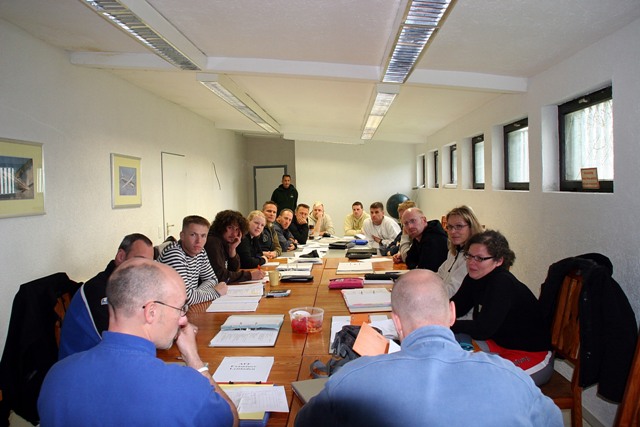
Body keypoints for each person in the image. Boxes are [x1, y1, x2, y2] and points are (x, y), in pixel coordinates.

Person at [294, 270, 562, 427]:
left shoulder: (351, 381)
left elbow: (305, 422)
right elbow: (553, 421)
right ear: (452, 313)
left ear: (396, 322)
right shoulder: (513, 378)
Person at [38, 259, 239, 427]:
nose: (183, 319)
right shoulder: (185, 387)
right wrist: (194, 360)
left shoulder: (56, 376)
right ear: (151, 312)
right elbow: (231, 420)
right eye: (180, 308)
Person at [451, 230, 553, 385]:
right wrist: (430, 317)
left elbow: (483, 329)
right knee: (453, 358)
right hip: (498, 344)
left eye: (480, 258)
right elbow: (457, 307)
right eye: (469, 256)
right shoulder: (475, 277)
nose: (471, 262)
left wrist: (445, 323)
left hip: (531, 354)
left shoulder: (502, 283)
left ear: (499, 261)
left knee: (486, 384)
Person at [58, 233, 154, 360]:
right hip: (81, 364)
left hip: (105, 357)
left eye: (149, 265)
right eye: (139, 260)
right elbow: (118, 339)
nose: (145, 270)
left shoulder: (125, 285)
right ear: (121, 256)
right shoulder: (97, 290)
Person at [158, 215, 228, 305]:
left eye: (203, 236)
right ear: (182, 236)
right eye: (193, 235)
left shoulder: (200, 251)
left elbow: (212, 279)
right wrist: (215, 292)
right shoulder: (174, 254)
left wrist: (195, 294)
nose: (199, 241)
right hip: (165, 310)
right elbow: (185, 298)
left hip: (184, 308)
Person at [204, 210, 265, 283]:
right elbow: (220, 276)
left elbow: (234, 269)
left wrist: (232, 250)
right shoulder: (213, 242)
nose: (234, 234)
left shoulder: (225, 242)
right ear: (220, 226)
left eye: (236, 229)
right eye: (230, 228)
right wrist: (249, 275)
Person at [437, 205, 483, 298]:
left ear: (471, 227)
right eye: (450, 227)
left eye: (459, 226)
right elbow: (439, 275)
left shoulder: (473, 257)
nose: (452, 231)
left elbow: (453, 290)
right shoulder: (453, 252)